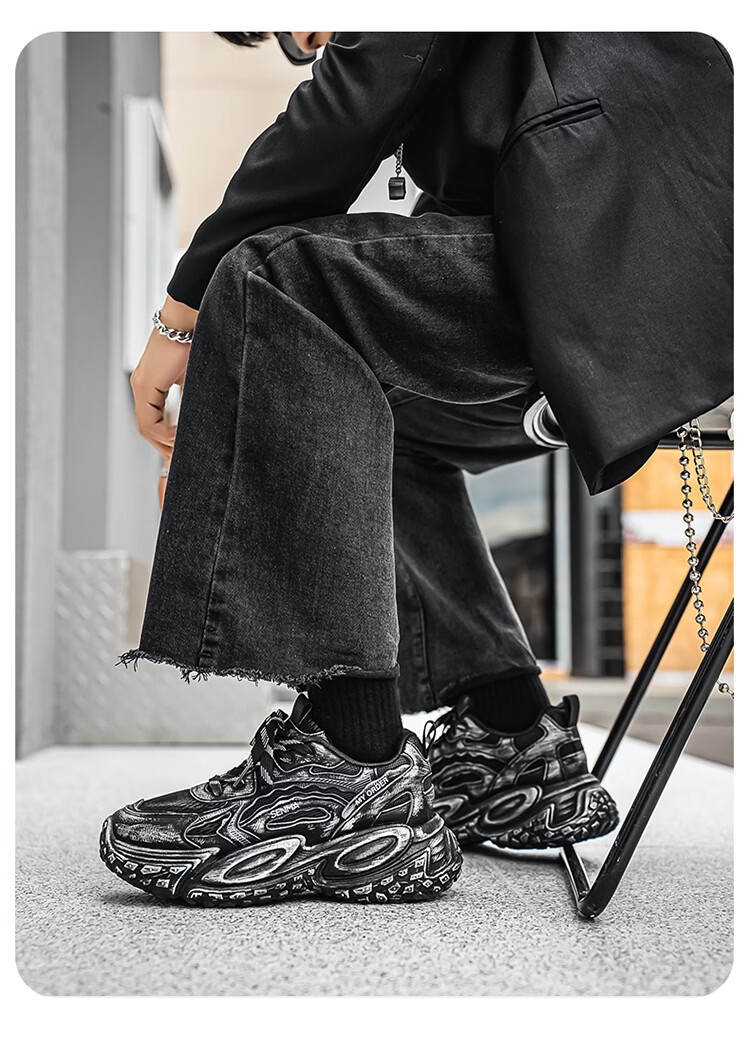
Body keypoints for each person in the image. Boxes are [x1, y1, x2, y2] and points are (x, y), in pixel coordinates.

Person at [100, 32, 732, 906]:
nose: (304, 42)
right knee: (362, 384)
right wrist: (252, 428)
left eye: (281, 19)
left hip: (641, 243)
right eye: (281, 44)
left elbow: (363, 91)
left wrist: (181, 317)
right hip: (645, 250)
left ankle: (348, 766)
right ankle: (510, 735)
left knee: (276, 279)